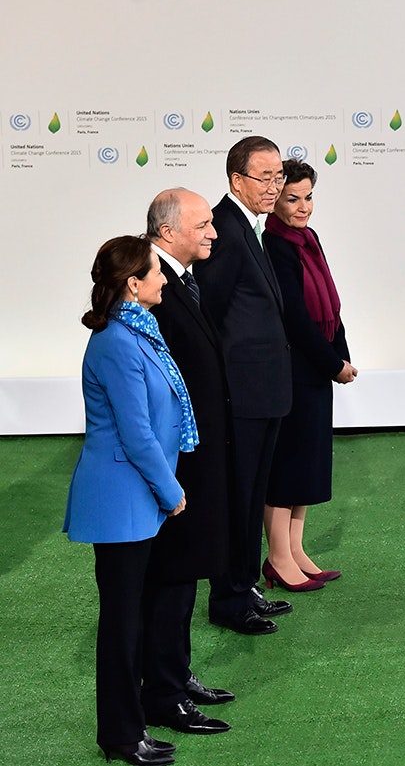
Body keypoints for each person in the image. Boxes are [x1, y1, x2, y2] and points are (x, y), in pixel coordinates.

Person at [64, 236, 193, 766]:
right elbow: (136, 433)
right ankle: (121, 734)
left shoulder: (138, 331)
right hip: (122, 499)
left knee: (132, 617)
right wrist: (171, 489)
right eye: (156, 272)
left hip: (135, 497)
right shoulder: (118, 342)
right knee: (121, 624)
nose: (164, 279)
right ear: (134, 284)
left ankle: (130, 725)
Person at [193, 136, 294, 635]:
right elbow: (208, 314)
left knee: (253, 495)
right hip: (241, 393)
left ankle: (244, 585)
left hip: (263, 390)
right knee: (238, 497)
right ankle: (229, 600)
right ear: (237, 180)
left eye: (279, 176)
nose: (274, 187)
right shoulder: (223, 230)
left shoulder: (249, 225)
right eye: (265, 177)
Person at [143, 189, 233, 735]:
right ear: (168, 231)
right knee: (171, 577)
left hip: (194, 458)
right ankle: (164, 693)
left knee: (184, 576)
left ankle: (176, 674)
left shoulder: (177, 281)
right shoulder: (151, 287)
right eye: (202, 225)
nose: (214, 233)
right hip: (175, 464)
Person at [261, 159, 356, 591]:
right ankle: (278, 558)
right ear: (274, 201)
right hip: (293, 370)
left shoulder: (308, 238)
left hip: (315, 369)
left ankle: (296, 551)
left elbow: (330, 304)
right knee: (287, 467)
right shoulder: (274, 245)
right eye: (292, 199)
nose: (303, 207)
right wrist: (333, 363)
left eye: (308, 197)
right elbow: (295, 318)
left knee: (306, 466)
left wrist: (341, 354)